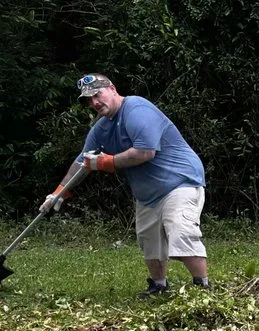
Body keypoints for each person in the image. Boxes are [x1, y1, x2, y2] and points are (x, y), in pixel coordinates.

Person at [41, 73, 208, 298]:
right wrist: (59, 192)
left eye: (97, 95)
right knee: (149, 239)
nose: (95, 102)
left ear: (112, 88)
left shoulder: (137, 109)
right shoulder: (101, 129)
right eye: (89, 100)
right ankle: (158, 286)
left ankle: (202, 288)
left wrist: (106, 162)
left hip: (179, 182)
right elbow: (83, 162)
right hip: (148, 193)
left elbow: (145, 152)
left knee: (180, 229)